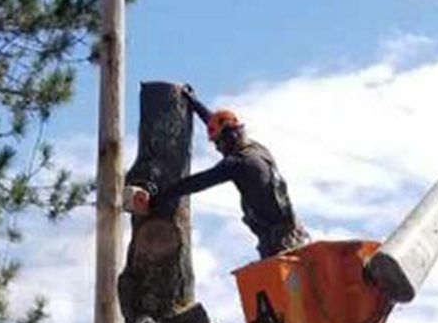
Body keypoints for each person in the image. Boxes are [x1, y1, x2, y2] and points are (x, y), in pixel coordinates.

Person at [131, 86, 309, 259]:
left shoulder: (239, 163)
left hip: (279, 242)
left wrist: (155, 201)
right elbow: (216, 123)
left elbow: (195, 183)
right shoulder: (257, 149)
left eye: (218, 143)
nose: (217, 148)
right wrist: (194, 103)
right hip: (295, 234)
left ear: (229, 138)